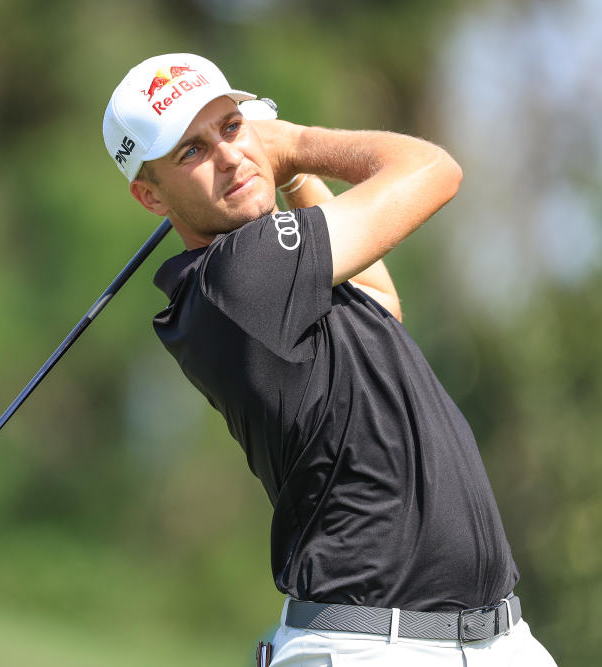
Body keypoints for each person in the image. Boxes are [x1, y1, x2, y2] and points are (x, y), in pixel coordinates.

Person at [103, 53, 556, 666]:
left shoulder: (261, 280)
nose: (231, 156)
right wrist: (295, 145)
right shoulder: (242, 275)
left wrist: (284, 175)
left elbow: (377, 302)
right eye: (191, 151)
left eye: (231, 127)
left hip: (495, 641)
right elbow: (434, 170)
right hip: (373, 647)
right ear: (150, 196)